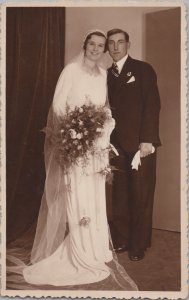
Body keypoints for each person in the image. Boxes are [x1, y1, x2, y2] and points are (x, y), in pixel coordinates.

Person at [13, 29, 137, 289]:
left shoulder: (103, 74)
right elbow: (58, 107)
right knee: (78, 196)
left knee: (94, 195)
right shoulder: (70, 71)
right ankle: (79, 249)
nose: (95, 48)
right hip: (76, 144)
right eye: (91, 44)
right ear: (85, 45)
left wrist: (103, 124)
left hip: (96, 147)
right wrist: (76, 131)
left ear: (104, 50)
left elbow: (103, 107)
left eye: (100, 46)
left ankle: (95, 248)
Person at [107, 28, 161, 261]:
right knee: (119, 194)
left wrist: (147, 140)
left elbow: (152, 105)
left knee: (140, 194)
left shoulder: (143, 69)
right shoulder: (105, 74)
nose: (116, 47)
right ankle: (122, 239)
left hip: (141, 145)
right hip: (115, 145)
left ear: (128, 44)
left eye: (120, 42)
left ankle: (138, 245)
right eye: (111, 43)